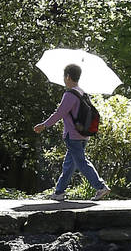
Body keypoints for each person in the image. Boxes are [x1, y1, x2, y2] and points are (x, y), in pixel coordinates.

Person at [34, 63, 109, 201]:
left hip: (73, 135)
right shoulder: (82, 93)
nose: (63, 79)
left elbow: (59, 113)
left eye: (64, 76)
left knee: (81, 162)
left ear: (68, 76)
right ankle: (59, 192)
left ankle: (100, 186)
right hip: (83, 135)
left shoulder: (69, 95)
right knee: (69, 164)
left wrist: (44, 125)